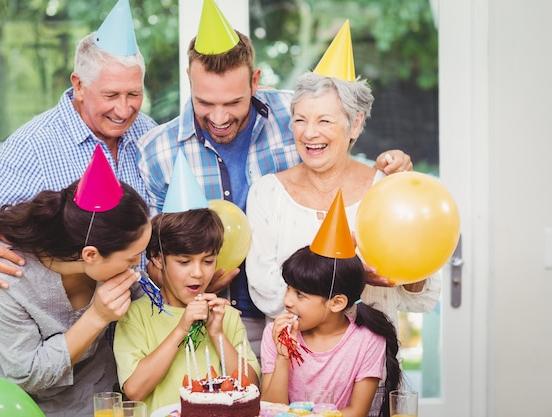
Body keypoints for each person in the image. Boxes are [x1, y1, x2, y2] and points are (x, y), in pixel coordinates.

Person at [135, 0, 412, 357]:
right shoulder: (157, 152)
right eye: (204, 102)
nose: (218, 117)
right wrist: (186, 280)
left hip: (293, 322)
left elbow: (339, 146)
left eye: (233, 102)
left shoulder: (294, 114)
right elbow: (148, 258)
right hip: (207, 321)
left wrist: (394, 166)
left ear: (255, 81)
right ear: (189, 80)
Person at [0, 0, 156, 293]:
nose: (124, 109)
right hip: (70, 326)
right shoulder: (32, 145)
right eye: (111, 95)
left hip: (143, 320)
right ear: (79, 85)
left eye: (134, 93)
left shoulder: (149, 132)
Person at [0, 158, 153, 417]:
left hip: (81, 394)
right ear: (90, 255)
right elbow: (27, 373)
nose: (138, 265)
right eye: (132, 258)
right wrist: (97, 316)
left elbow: (153, 300)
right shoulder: (9, 273)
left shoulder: (104, 260)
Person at [245, 72, 441, 330]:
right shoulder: (267, 193)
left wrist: (412, 265)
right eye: (300, 120)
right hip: (292, 364)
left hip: (371, 363)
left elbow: (419, 297)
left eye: (324, 120)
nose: (310, 133)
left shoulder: (386, 187)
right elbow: (266, 293)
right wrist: (355, 276)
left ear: (355, 124)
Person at [113, 208, 260, 411]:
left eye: (208, 261)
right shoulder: (135, 315)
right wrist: (181, 329)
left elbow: (251, 388)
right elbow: (134, 390)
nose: (198, 273)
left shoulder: (225, 315)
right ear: (157, 258)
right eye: (184, 262)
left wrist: (217, 334)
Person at [260, 245, 402, 417]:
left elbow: (357, 412)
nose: (286, 300)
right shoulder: (275, 334)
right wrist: (283, 357)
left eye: (299, 294)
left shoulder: (368, 340)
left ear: (336, 303)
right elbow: (270, 410)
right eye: (287, 288)